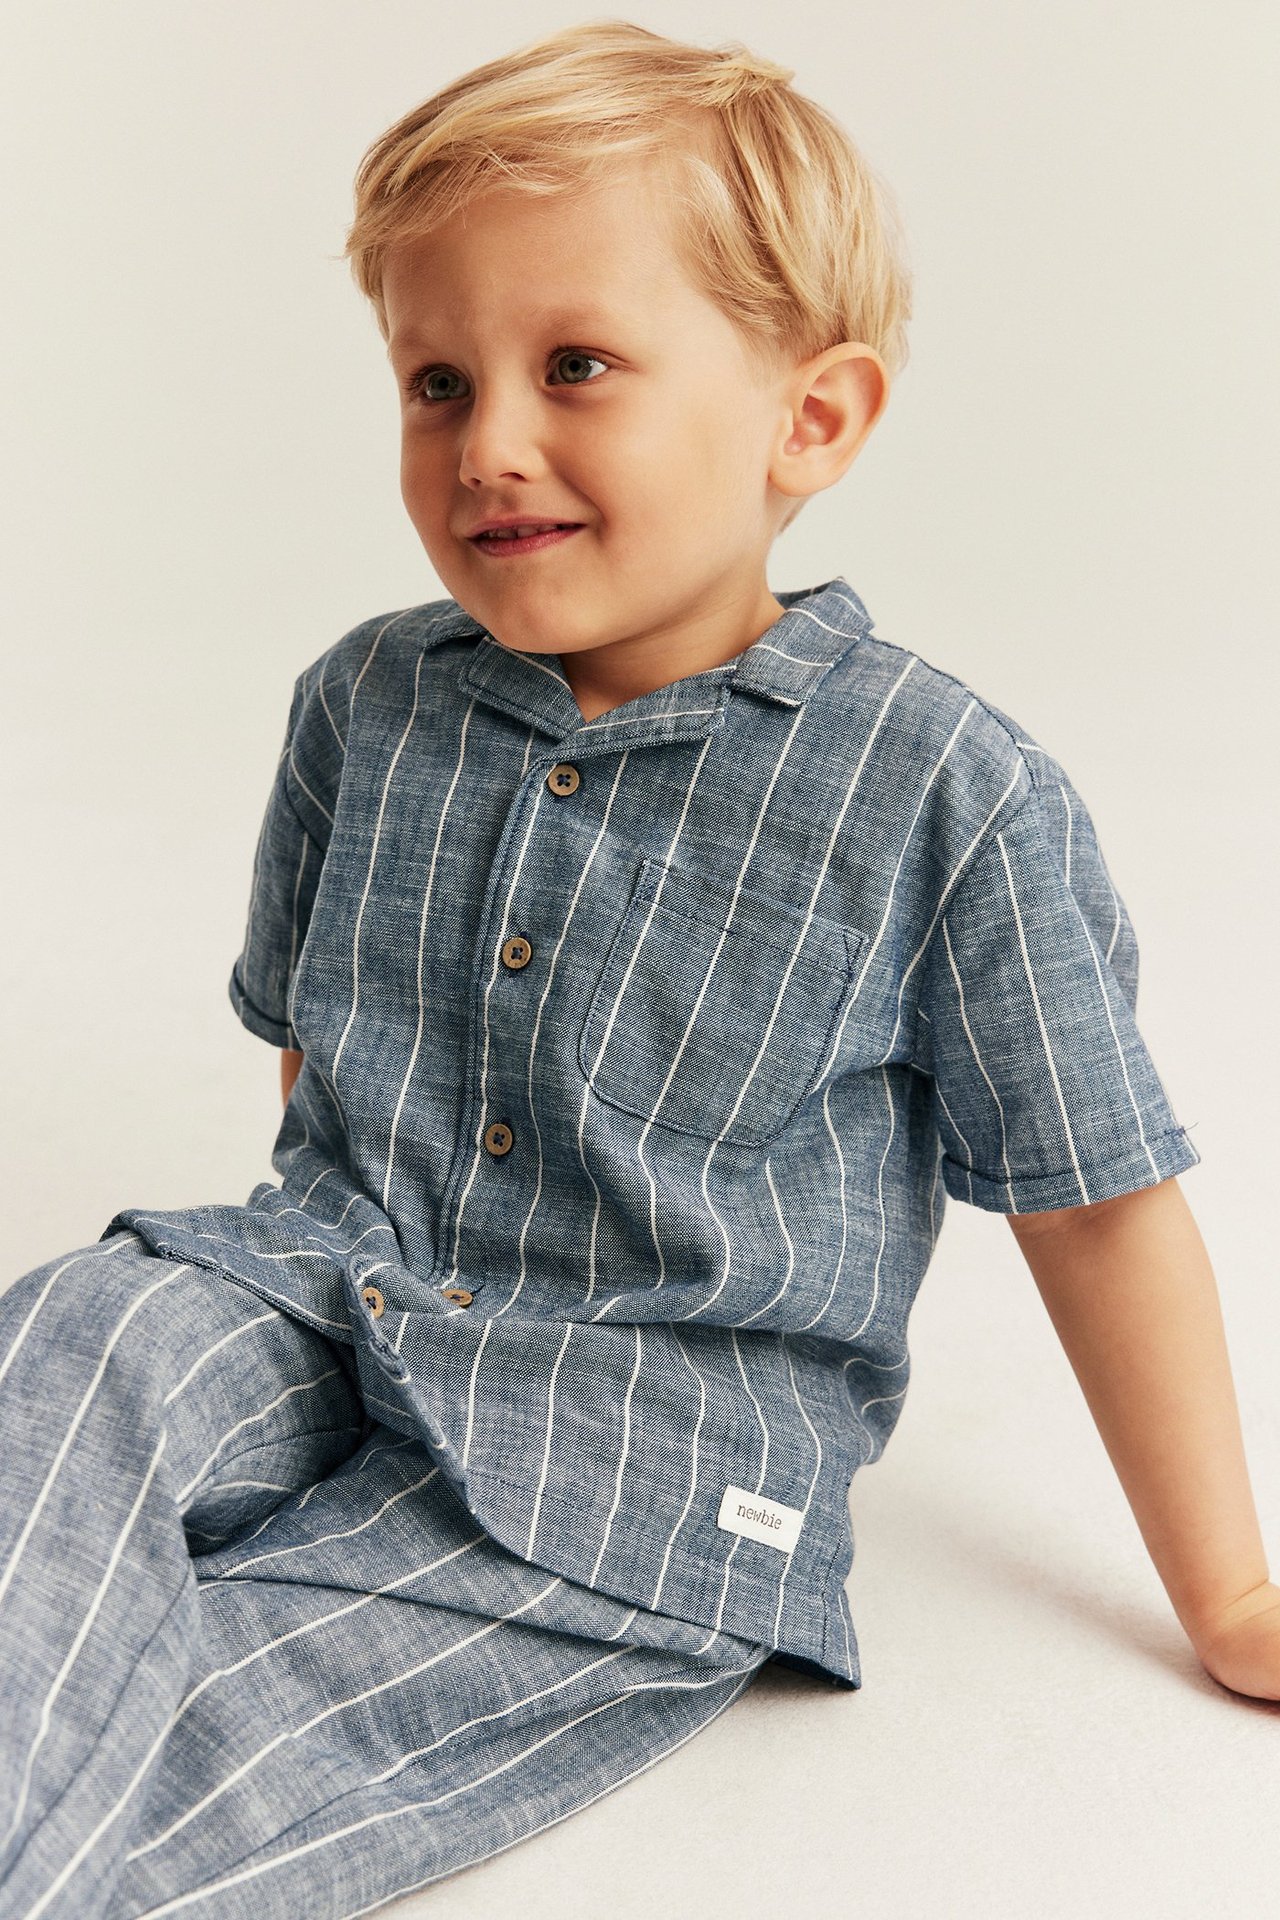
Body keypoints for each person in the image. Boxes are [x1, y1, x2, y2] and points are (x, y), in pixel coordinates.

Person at [1, 18, 1274, 1918]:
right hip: (333, 1290)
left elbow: (1097, 1206)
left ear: (811, 419)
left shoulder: (949, 793)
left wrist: (1235, 1590)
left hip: (637, 1453)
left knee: (265, 1701)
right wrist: (283, 1357)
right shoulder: (367, 698)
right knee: (72, 1337)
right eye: (437, 381)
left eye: (574, 365)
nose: (486, 443)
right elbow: (316, 1059)